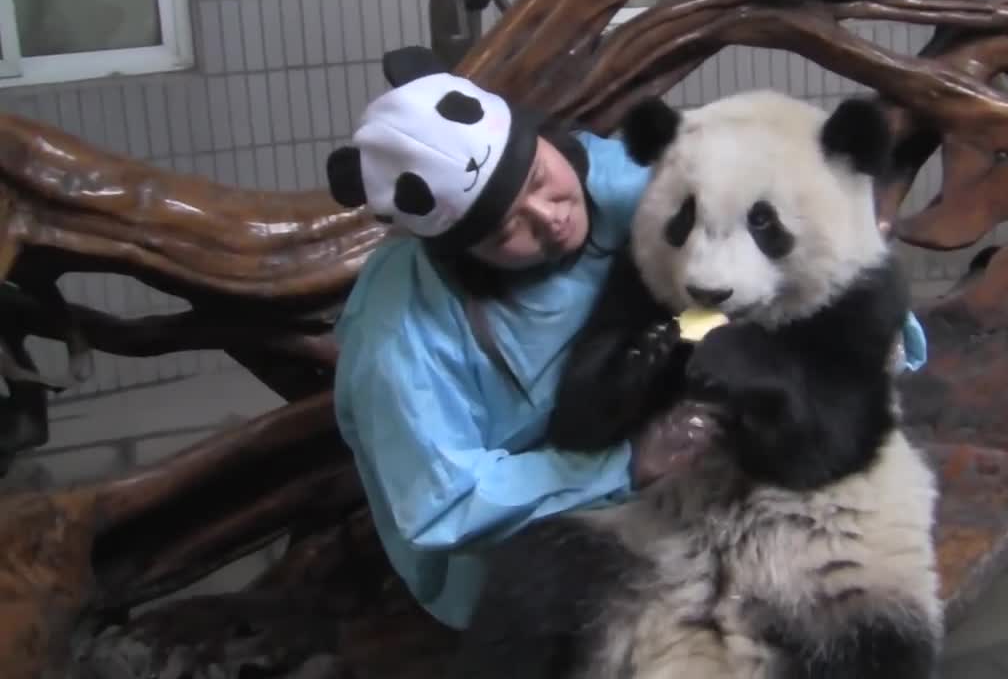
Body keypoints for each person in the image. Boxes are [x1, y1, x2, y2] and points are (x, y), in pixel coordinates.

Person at [325, 45, 928, 632]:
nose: (550, 214)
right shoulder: (398, 337)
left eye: (538, 177)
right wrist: (626, 466)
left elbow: (781, 218)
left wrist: (873, 313)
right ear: (456, 248)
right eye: (509, 225)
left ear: (542, 138)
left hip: (693, 475)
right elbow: (445, 504)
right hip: (522, 548)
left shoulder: (617, 175)